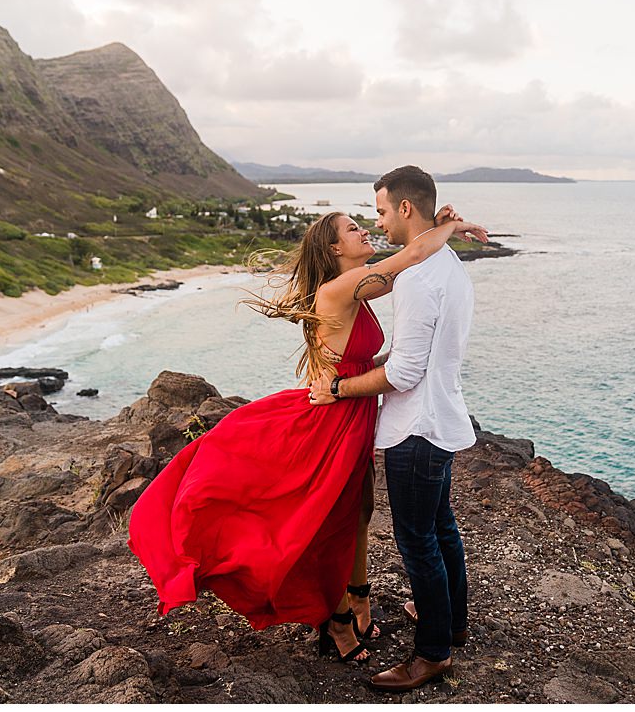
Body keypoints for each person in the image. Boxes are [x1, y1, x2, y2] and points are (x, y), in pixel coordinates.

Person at [128, 205, 487, 665]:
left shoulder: (356, 290)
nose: (366, 230)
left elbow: (414, 271)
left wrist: (432, 224)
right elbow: (415, 254)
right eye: (354, 228)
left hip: (351, 409)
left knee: (359, 510)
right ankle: (336, 620)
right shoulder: (340, 289)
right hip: (329, 417)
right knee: (329, 517)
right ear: (335, 247)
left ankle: (358, 597)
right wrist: (451, 226)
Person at [309, 165, 476, 693]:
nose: (375, 224)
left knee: (418, 540)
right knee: (440, 526)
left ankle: (432, 653)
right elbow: (414, 356)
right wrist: (447, 227)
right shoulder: (445, 264)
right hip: (443, 416)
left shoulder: (417, 277)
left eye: (380, 212)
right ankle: (451, 622)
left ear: (405, 208)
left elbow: (404, 372)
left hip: (416, 429)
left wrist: (338, 389)